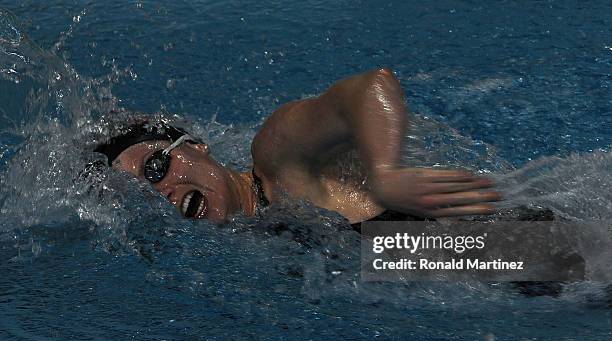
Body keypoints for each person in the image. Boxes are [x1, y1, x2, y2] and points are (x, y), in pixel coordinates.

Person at [95, 68, 502, 226]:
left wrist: (386, 177)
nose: (161, 192)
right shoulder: (253, 237)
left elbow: (369, 88)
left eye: (154, 168)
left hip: (506, 245)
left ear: (196, 146)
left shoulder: (276, 158)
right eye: (141, 193)